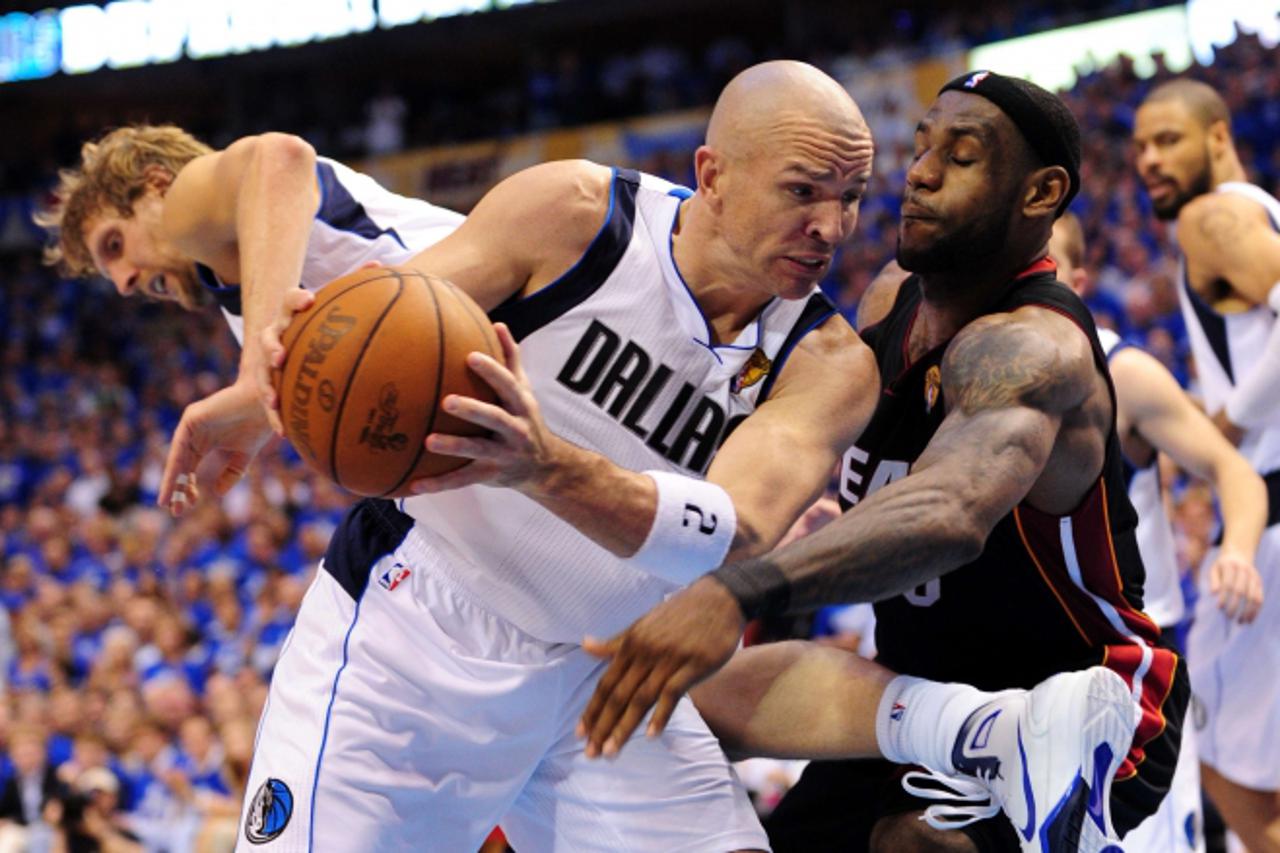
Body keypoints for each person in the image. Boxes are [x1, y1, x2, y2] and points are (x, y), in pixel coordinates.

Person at [238, 59, 879, 850]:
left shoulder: (830, 365)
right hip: (416, 626)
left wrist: (543, 466)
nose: (832, 225)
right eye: (803, 190)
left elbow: (730, 531)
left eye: (850, 197)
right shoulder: (574, 217)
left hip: (602, 675)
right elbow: (390, 319)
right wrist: (295, 351)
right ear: (712, 175)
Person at [578, 70, 1190, 853]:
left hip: (1077, 704)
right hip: (915, 697)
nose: (922, 172)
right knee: (640, 701)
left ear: (1040, 195)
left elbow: (948, 512)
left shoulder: (1035, 349)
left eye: (962, 157)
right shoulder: (886, 304)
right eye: (924, 145)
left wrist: (741, 588)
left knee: (915, 844)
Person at [35, 123, 464, 510]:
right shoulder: (246, 294)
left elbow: (281, 155)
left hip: (497, 312)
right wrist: (263, 404)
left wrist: (254, 368)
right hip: (478, 360)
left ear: (156, 185)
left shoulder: (184, 203)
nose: (125, 282)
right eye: (110, 276)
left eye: (114, 245)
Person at [1133, 77, 1280, 853]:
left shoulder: (1210, 214)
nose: (1150, 160)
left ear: (1218, 135)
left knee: (1218, 756)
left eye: (1169, 140)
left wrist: (1223, 421)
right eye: (1140, 148)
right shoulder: (1261, 213)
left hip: (1271, 524)